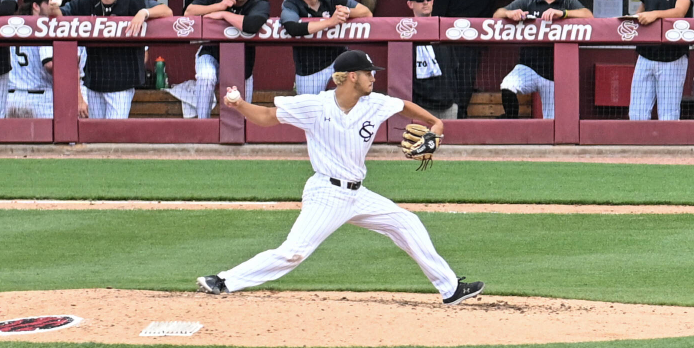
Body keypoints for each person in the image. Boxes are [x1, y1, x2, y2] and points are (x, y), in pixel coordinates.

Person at [196, 49, 484, 307]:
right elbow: (268, 116)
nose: (373, 77)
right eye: (368, 72)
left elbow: (405, 106)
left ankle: (451, 289)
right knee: (294, 252)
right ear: (350, 77)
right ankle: (223, 280)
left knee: (406, 222)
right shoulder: (316, 106)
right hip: (327, 193)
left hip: (358, 194)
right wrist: (239, 105)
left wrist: (437, 123)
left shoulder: (375, 103)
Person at [47, 0, 173, 119]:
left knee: (115, 134)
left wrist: (144, 13)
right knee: (95, 135)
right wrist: (54, 7)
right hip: (94, 81)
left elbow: (167, 11)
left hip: (121, 82)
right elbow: (61, 18)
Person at [433, 0, 530, 117]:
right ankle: (450, 116)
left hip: (473, 44)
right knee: (448, 81)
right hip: (448, 45)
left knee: (465, 82)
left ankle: (460, 116)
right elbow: (436, 17)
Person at [496, 0, 593, 120]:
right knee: (508, 85)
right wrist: (509, 14)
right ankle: (512, 123)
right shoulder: (529, 1)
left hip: (555, 73)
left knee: (553, 121)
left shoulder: (567, 2)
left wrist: (563, 13)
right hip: (529, 67)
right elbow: (497, 14)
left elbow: (589, 15)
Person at [186, 0, 270, 116]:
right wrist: (219, 6)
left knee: (243, 113)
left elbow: (253, 24)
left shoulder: (259, 0)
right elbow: (189, 12)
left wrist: (225, 14)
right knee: (206, 78)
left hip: (243, 59)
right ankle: (203, 124)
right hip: (212, 51)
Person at [280, 0, 373, 94]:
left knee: (366, 66)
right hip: (309, 67)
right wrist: (330, 22)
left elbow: (367, 13)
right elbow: (292, 27)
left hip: (338, 59)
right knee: (309, 112)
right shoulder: (291, 2)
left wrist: (346, 11)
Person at [629, 0, 693, 120]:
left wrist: (654, 14)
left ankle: (668, 151)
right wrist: (633, 17)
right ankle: (641, 150)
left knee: (668, 116)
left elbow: (680, 11)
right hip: (646, 53)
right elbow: (643, 6)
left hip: (673, 54)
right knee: (637, 114)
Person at [7, 0, 63, 119]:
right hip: (40, 99)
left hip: (11, 98)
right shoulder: (43, 26)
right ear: (36, 6)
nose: (52, 7)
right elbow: (50, 64)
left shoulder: (11, 25)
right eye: (48, 3)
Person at [406, 0, 459, 121]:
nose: (425, 2)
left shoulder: (445, 30)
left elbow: (454, 69)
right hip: (421, 109)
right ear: (410, 4)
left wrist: (454, 102)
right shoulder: (404, 35)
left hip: (448, 108)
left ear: (433, 1)